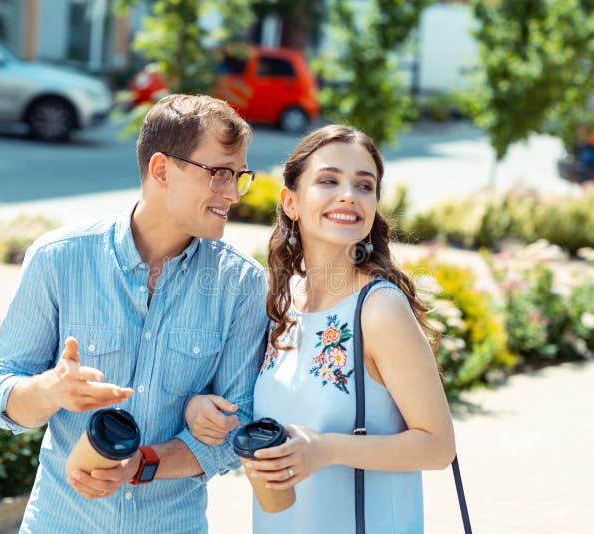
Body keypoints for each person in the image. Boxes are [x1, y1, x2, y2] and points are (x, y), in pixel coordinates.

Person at [0, 94, 269, 533]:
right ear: (161, 170)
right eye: (219, 174)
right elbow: (0, 391)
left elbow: (237, 426)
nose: (232, 193)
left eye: (238, 176)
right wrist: (51, 390)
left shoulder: (242, 284)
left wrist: (141, 464)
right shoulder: (58, 258)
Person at [185, 125, 456, 533]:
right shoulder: (281, 301)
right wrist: (201, 409)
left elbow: (438, 446)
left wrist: (325, 449)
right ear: (290, 201)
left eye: (365, 186)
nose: (349, 194)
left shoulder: (379, 310)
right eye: (329, 180)